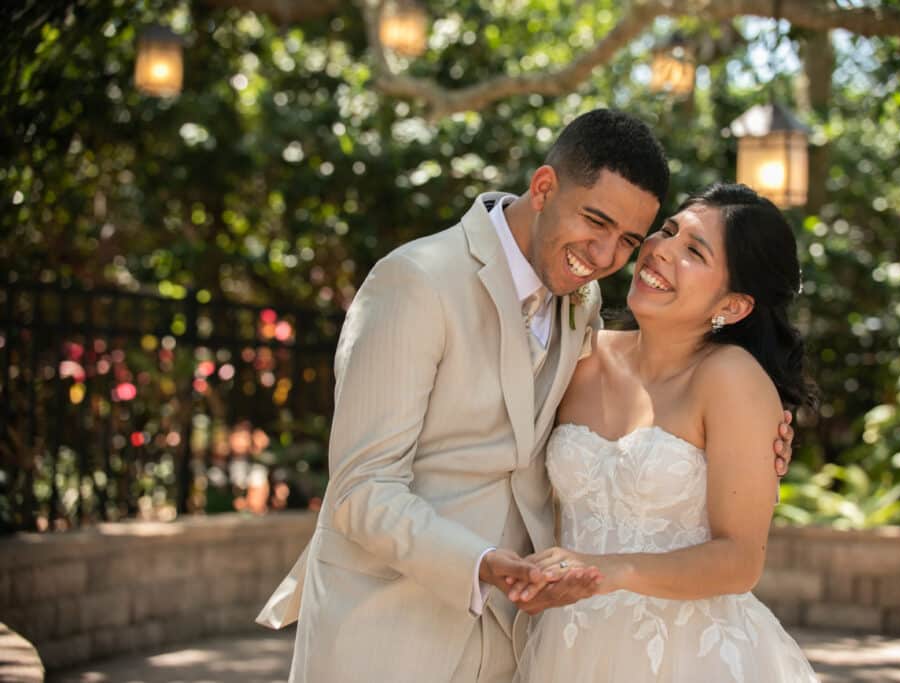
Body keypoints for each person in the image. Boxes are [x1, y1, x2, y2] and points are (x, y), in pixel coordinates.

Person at [256, 111, 794, 683]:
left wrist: (752, 450)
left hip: (524, 642)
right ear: (543, 188)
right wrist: (483, 564)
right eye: (597, 221)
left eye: (632, 238)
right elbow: (360, 488)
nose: (612, 256)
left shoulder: (579, 306)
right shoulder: (417, 280)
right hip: (389, 630)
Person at [510, 183, 818, 681]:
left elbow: (740, 560)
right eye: (668, 230)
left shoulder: (730, 377)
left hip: (689, 653)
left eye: (693, 251)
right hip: (568, 644)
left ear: (735, 306)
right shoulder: (582, 354)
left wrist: (610, 570)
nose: (660, 249)